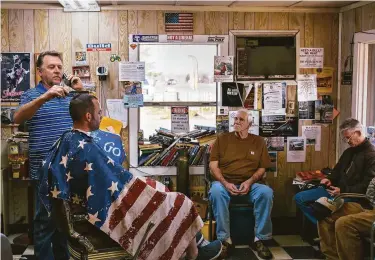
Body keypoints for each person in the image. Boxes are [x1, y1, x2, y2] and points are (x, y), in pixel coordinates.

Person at [38, 93, 222, 260]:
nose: (101, 116)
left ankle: (196, 246)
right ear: (88, 116)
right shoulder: (87, 148)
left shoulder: (65, 140)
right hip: (99, 216)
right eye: (99, 113)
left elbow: (104, 178)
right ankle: (195, 253)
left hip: (84, 209)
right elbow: (115, 181)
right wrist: (138, 184)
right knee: (181, 200)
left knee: (158, 191)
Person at [12, 50, 84, 260]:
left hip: (69, 171)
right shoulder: (32, 95)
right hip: (44, 171)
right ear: (40, 71)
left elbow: (93, 117)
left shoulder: (70, 95)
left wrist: (81, 90)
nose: (57, 70)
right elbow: (17, 118)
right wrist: (45, 96)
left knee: (65, 225)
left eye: (60, 67)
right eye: (51, 67)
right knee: (44, 225)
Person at [209, 108, 274, 259]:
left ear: (249, 124)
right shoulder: (222, 139)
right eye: (236, 119)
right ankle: (224, 240)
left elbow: (262, 168)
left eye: (241, 119)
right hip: (225, 183)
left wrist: (250, 182)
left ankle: (260, 239)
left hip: (250, 184)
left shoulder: (258, 142)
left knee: (266, 193)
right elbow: (213, 166)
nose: (237, 122)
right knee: (216, 192)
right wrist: (225, 183)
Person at [294, 118, 375, 225]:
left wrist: (342, 190)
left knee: (325, 210)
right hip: (334, 191)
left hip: (351, 196)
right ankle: (323, 226)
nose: (347, 142)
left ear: (358, 133)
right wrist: (329, 179)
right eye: (345, 139)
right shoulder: (348, 152)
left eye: (348, 138)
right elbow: (336, 171)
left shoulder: (371, 156)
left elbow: (366, 186)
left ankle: (326, 226)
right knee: (299, 198)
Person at [318, 177, 375, 260]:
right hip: (369, 206)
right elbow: (370, 193)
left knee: (344, 223)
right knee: (326, 213)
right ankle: (333, 258)